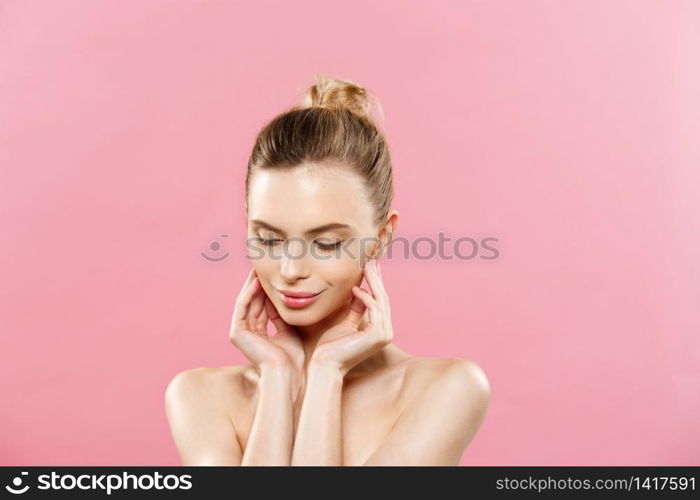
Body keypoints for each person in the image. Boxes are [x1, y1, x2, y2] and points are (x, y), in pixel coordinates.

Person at [165, 74, 491, 466]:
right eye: (268, 239)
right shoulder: (199, 396)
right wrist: (277, 376)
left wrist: (325, 372)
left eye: (326, 244)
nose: (290, 270)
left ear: (382, 236)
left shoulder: (445, 390)